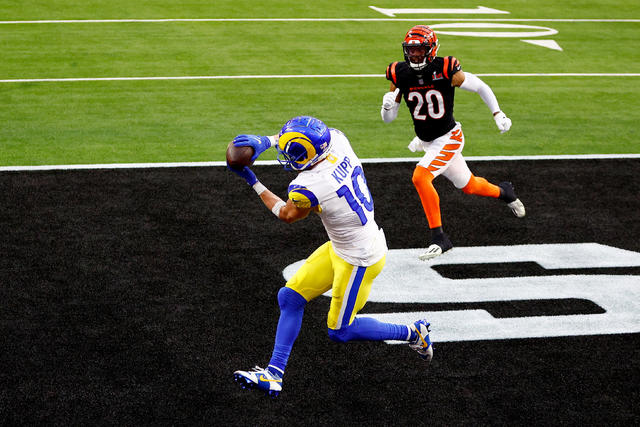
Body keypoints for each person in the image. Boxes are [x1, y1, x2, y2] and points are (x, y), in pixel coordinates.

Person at [228, 116, 433, 397]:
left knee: (340, 330)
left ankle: (413, 332)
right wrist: (267, 141)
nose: (286, 155)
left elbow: (286, 214)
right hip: (343, 246)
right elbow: (306, 137)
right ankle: (274, 373)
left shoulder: (308, 187)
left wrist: (252, 180)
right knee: (290, 297)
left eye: (291, 152)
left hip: (359, 259)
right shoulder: (337, 139)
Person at [381, 25, 525, 261]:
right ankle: (505, 192)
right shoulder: (399, 73)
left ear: (432, 49)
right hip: (428, 141)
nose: (415, 55)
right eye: (411, 51)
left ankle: (439, 237)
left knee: (420, 177)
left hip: (448, 137)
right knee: (468, 185)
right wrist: (386, 106)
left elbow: (480, 86)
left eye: (421, 50)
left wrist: (497, 113)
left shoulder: (445, 69)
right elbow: (388, 120)